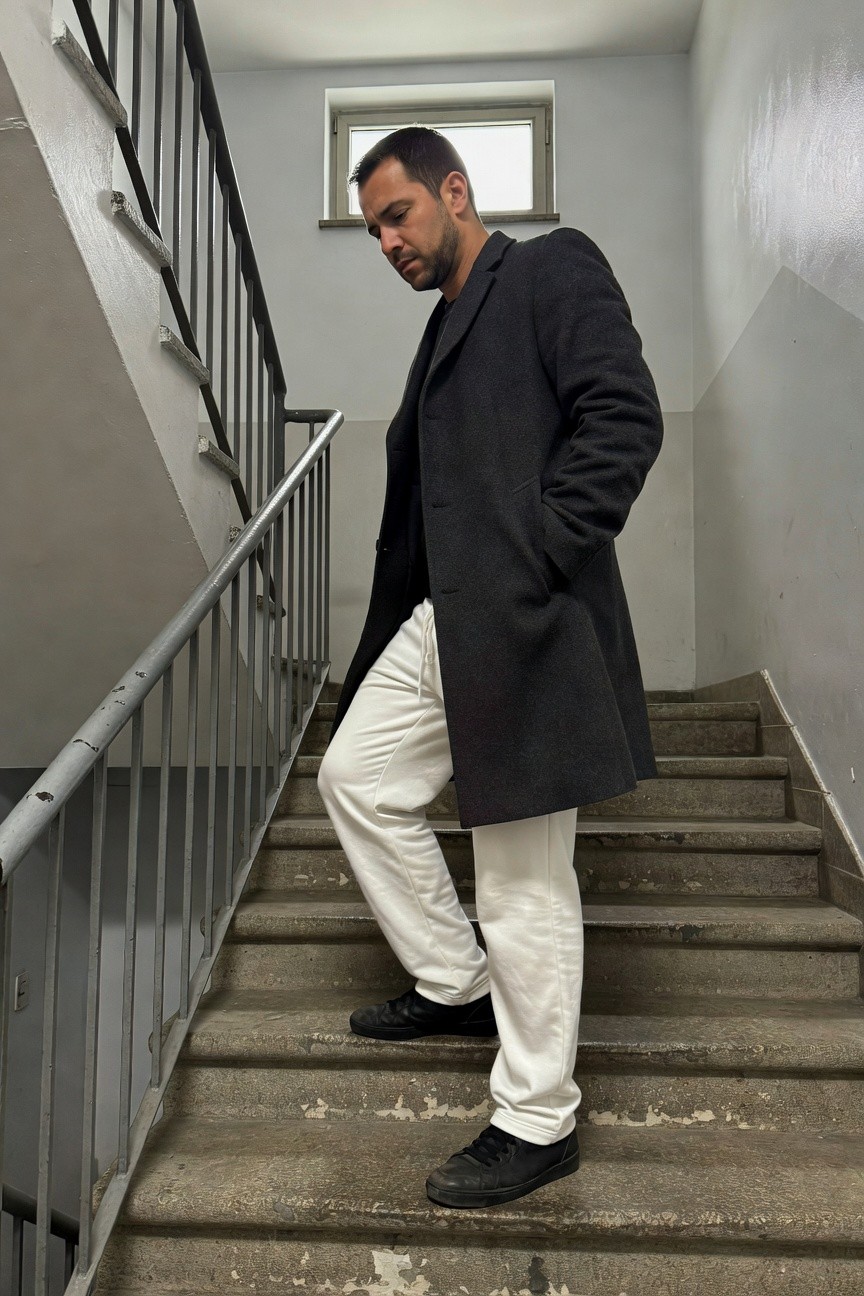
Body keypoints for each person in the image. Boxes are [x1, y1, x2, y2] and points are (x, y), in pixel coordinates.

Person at [317, 127, 663, 1210]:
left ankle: (538, 1117)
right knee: (355, 778)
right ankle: (455, 980)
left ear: (454, 192)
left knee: (520, 880)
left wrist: (540, 556)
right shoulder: (440, 330)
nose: (384, 240)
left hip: (522, 616)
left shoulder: (551, 269)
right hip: (442, 620)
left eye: (397, 215)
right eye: (372, 226)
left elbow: (623, 418)